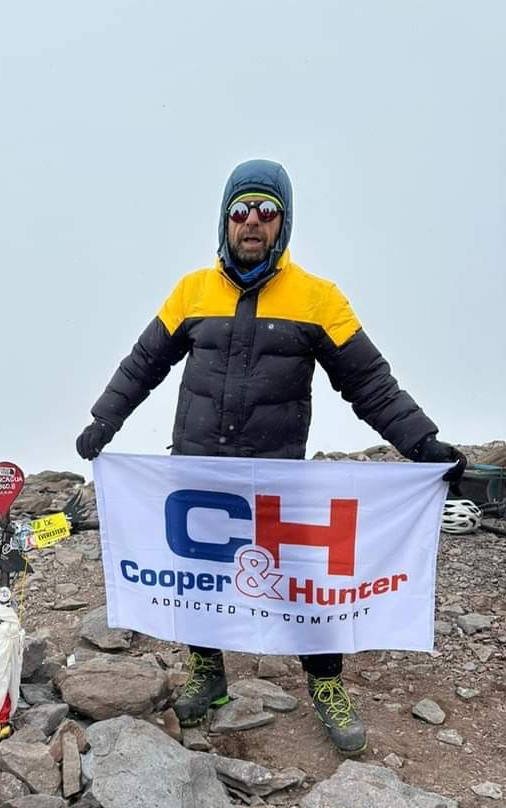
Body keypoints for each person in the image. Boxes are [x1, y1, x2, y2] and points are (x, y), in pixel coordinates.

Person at [75, 158, 465, 754]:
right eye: (239, 211)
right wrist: (105, 419)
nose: (251, 222)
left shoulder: (318, 298)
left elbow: (370, 385)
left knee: (306, 581)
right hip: (199, 466)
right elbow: (143, 363)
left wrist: (424, 445)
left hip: (278, 473)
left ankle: (326, 684)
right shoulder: (191, 291)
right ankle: (209, 676)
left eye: (265, 210)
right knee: (195, 577)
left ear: (283, 222)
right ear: (224, 221)